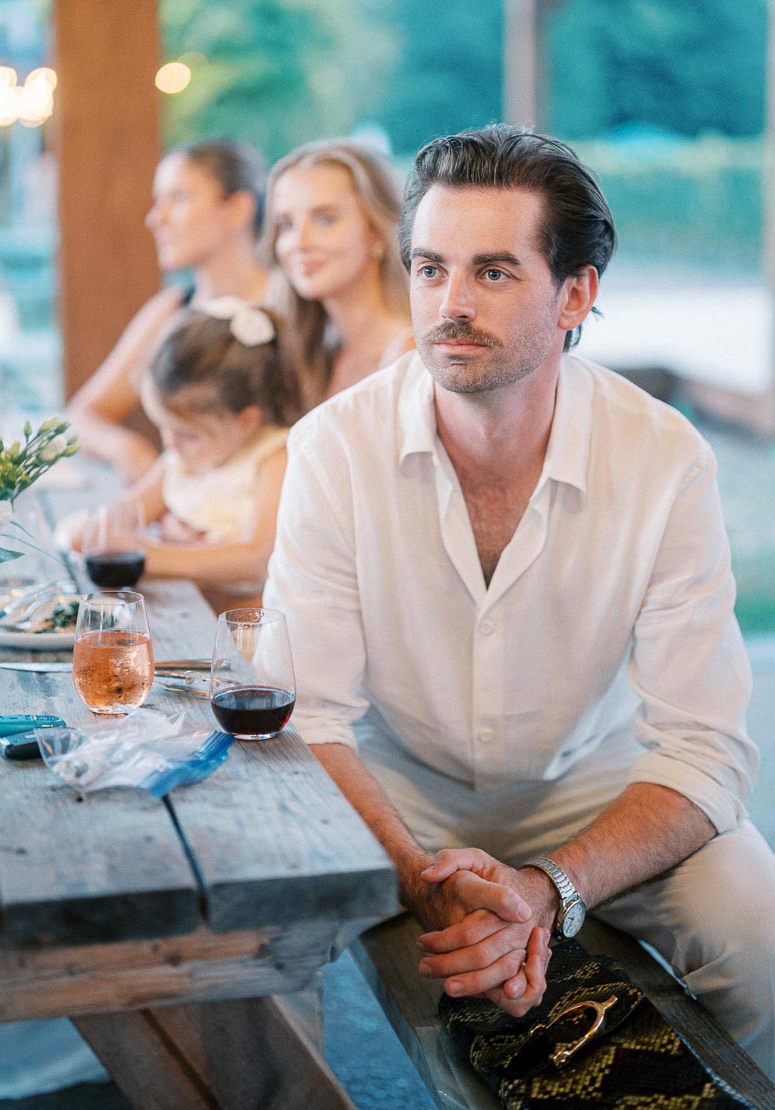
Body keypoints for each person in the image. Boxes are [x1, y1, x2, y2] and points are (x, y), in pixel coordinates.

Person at [263, 124, 775, 1077]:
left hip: (592, 783)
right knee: (239, 941)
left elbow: (706, 748)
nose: (449, 305)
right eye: (429, 269)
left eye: (493, 272)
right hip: (395, 789)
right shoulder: (333, 449)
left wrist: (548, 891)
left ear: (576, 294)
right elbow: (308, 719)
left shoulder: (664, 459)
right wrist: (424, 881)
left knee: (760, 929)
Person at [70, 298, 299, 612]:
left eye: (188, 435)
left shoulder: (273, 459)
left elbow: (257, 558)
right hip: (180, 612)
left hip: (235, 627)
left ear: (247, 420)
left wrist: (150, 555)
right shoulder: (179, 463)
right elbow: (115, 520)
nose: (170, 445)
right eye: (163, 428)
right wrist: (93, 533)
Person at [68, 139, 271, 483]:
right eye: (157, 201)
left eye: (178, 199)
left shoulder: (290, 305)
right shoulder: (171, 309)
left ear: (237, 208)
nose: (154, 218)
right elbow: (80, 417)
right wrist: (128, 450)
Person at [263, 140, 414, 410]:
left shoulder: (409, 355)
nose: (299, 241)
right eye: (286, 224)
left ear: (377, 231)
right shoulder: (305, 360)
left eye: (325, 220)